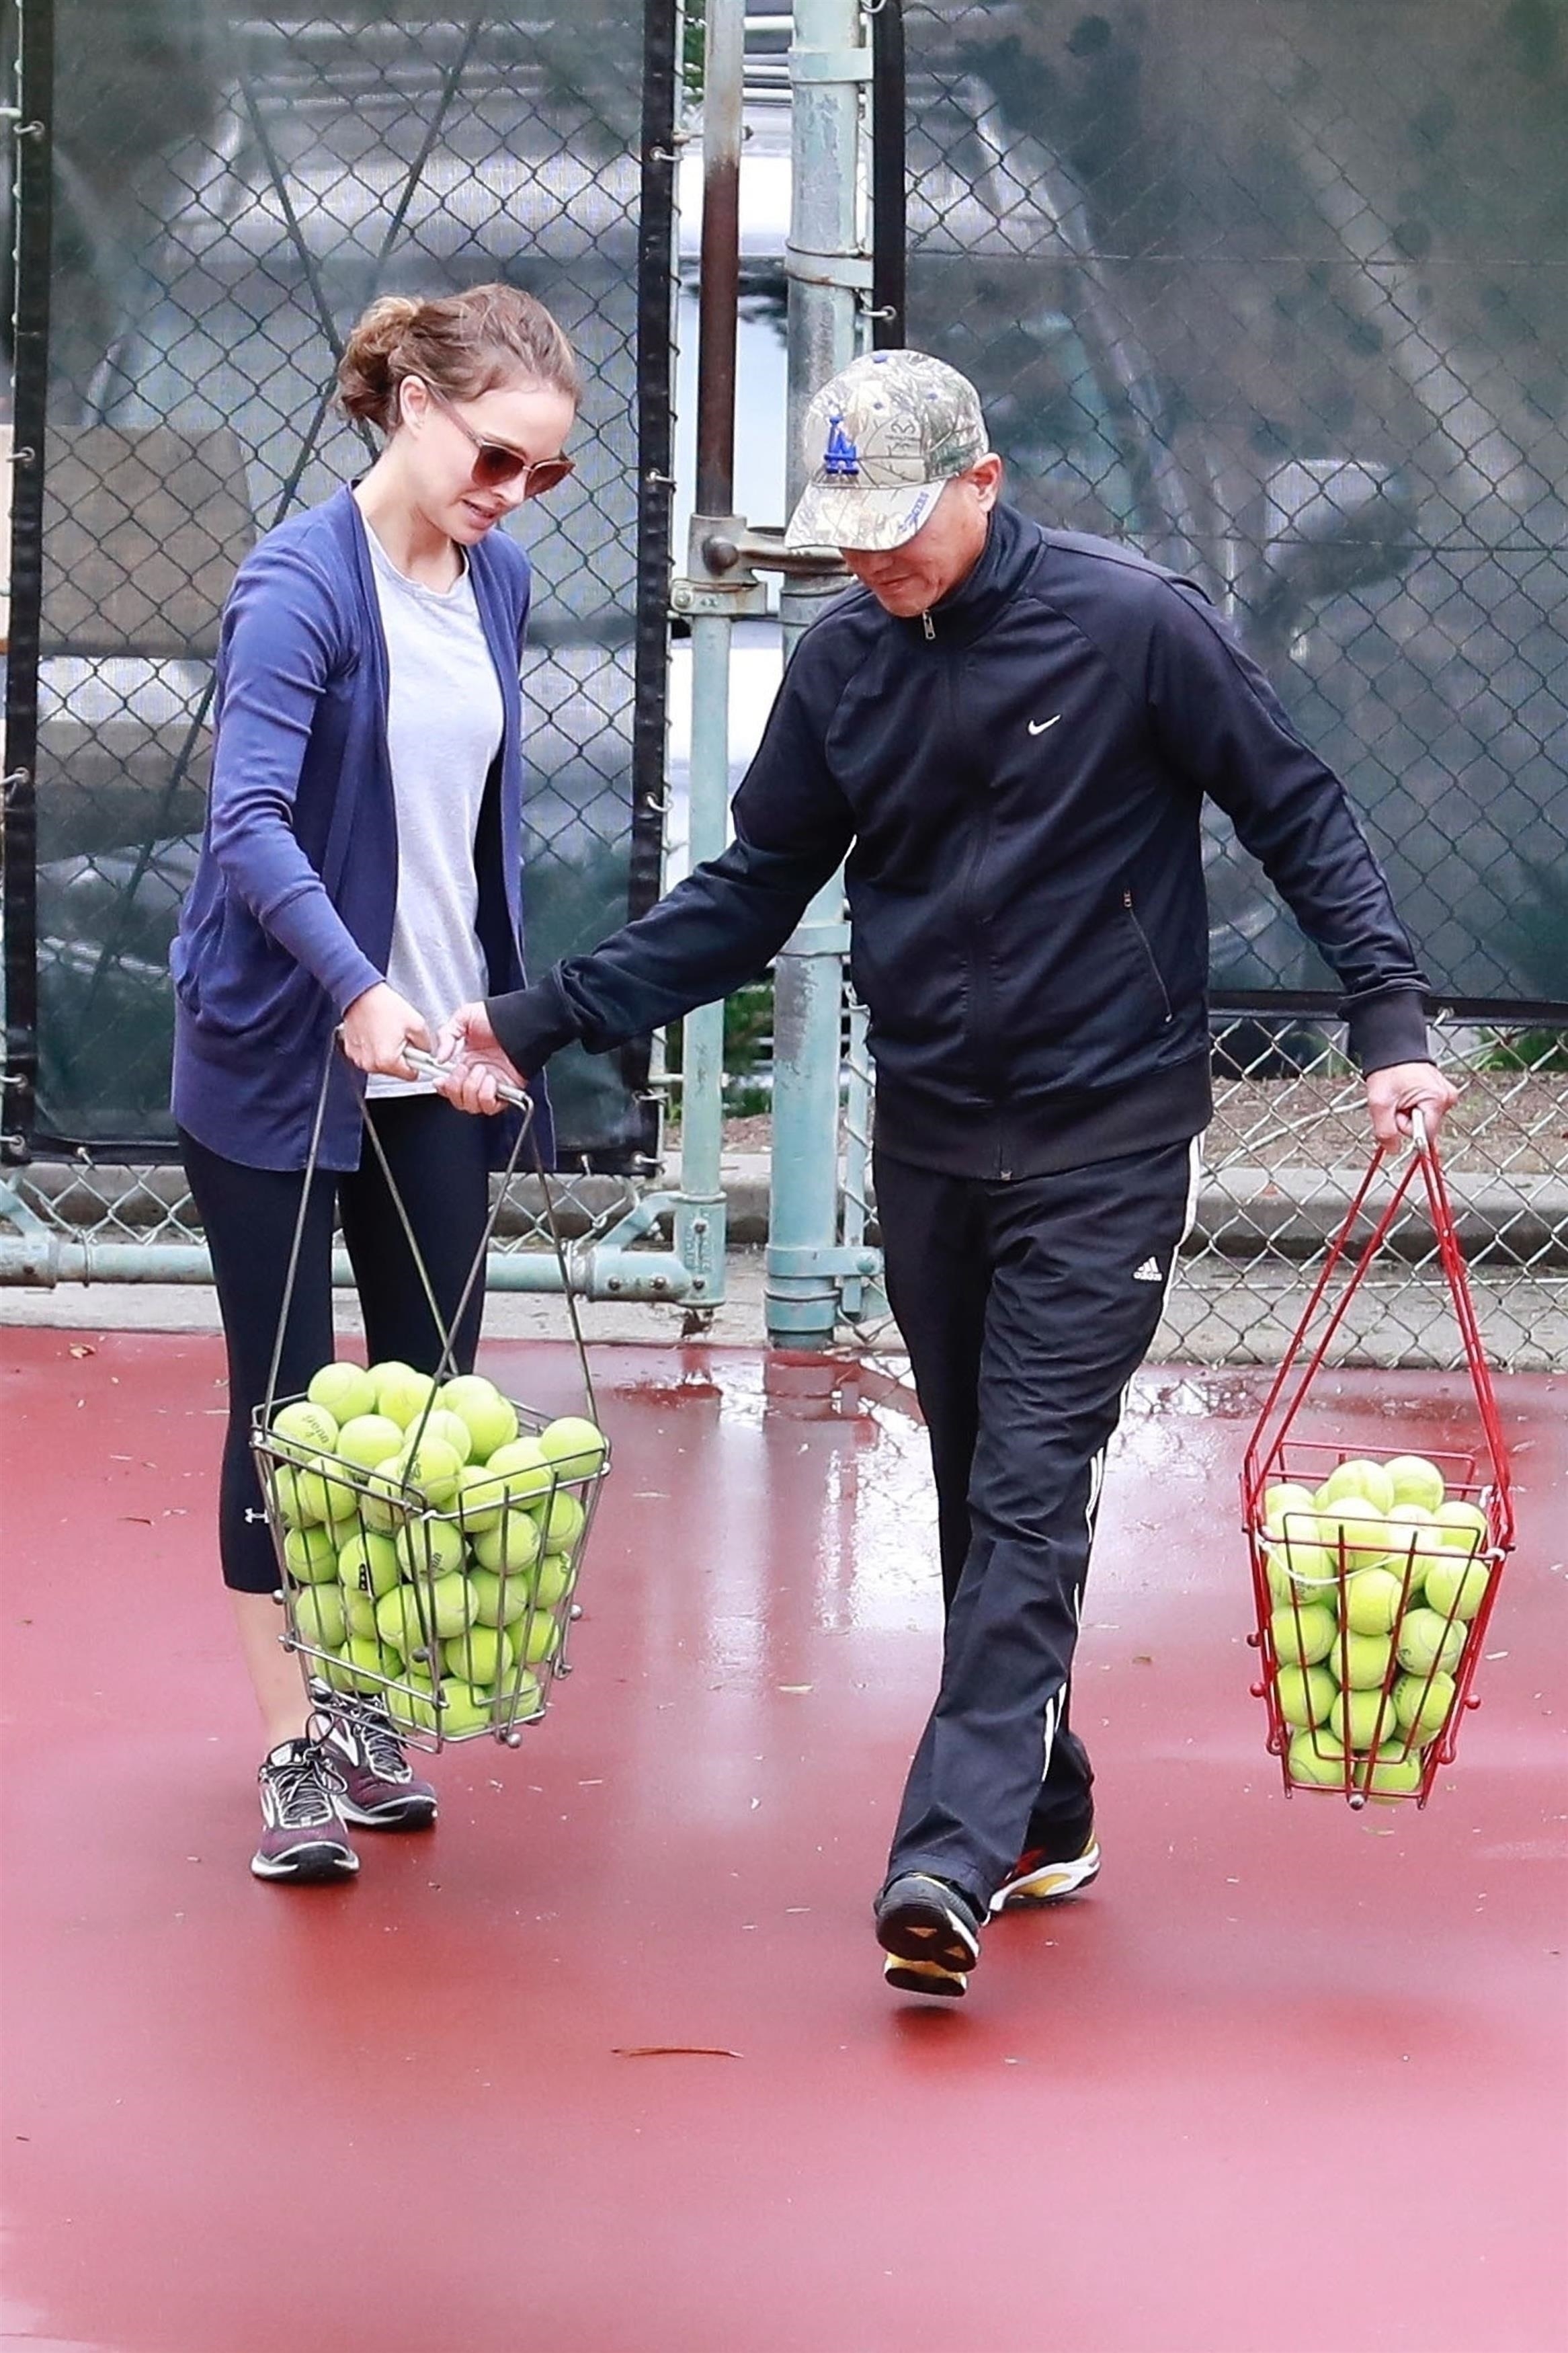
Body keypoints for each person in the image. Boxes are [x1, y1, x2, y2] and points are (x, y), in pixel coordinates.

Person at [434, 348, 1458, 1996]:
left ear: (985, 482)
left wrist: (1388, 1019)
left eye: (901, 522)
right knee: (982, 1489)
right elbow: (752, 890)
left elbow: (1299, 810)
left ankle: (948, 1856)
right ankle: (1048, 1810)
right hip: (932, 1133)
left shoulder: (1135, 623)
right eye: (847, 532)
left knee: (1033, 1490)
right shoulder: (842, 665)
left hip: (1108, 1135)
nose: (873, 557)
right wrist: (543, 1016)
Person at [171, 284, 577, 1883]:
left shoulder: (502, 582)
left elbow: (462, 839)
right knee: (286, 1411)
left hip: (434, 1062)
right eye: (496, 457)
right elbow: (249, 824)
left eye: (544, 470)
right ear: (413, 405)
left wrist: (476, 1023)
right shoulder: (298, 587)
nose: (514, 494)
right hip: (283, 1051)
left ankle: (361, 1696)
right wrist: (352, 991)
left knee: (424, 1406)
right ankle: (292, 1739)